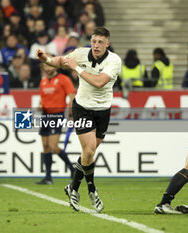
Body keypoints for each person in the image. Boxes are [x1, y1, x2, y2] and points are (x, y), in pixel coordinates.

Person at [36, 27, 121, 212]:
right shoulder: (81, 53)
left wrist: (76, 68)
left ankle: (73, 187)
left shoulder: (114, 60)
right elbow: (61, 60)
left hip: (103, 110)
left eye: (100, 42)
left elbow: (99, 82)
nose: (96, 45)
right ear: (90, 41)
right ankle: (91, 190)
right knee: (89, 150)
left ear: (107, 43)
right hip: (82, 108)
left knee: (88, 155)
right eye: (94, 41)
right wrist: (47, 60)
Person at [36, 61, 76, 185]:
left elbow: (71, 96)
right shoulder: (43, 81)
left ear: (54, 66)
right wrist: (40, 104)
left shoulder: (63, 79)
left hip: (57, 115)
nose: (47, 68)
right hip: (45, 115)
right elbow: (42, 97)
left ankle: (72, 169)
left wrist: (71, 114)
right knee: (45, 146)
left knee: (53, 146)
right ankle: (48, 177)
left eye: (49, 65)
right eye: (45, 66)